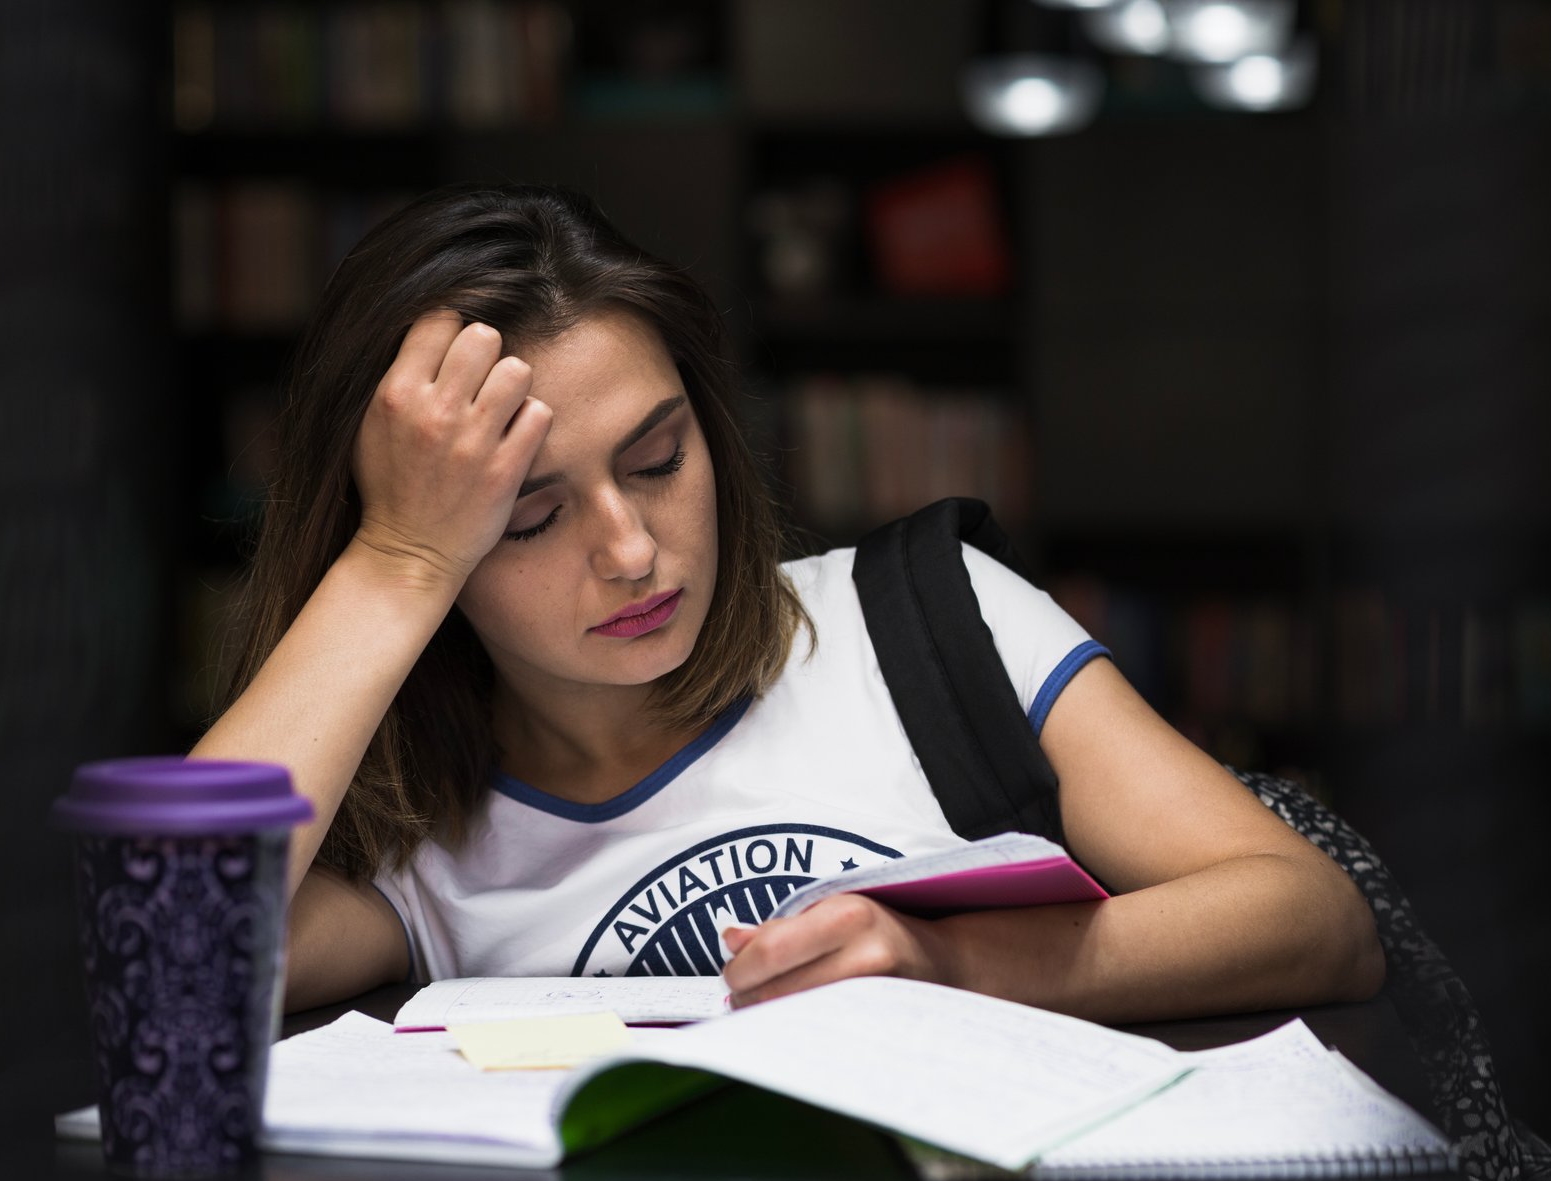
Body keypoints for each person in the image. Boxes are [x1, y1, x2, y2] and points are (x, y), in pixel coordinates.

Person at [193, 182, 1384, 1020]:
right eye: (528, 518)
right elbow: (174, 961)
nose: (629, 549)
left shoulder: (922, 622)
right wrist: (396, 558)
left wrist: (946, 964)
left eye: (659, 461)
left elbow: (1312, 919)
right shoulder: (425, 856)